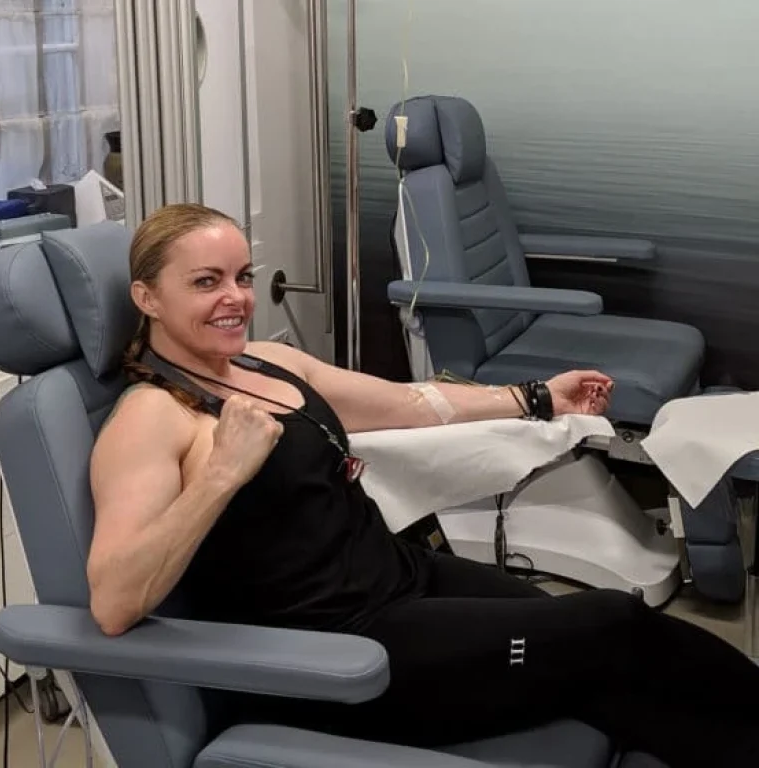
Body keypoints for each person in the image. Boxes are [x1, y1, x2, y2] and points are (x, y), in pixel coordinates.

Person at [87, 203, 759, 768]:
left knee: (604, 660)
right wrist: (221, 475)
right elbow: (114, 603)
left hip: (404, 577)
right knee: (612, 626)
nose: (235, 298)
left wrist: (535, 396)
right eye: (206, 282)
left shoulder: (265, 362)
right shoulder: (151, 418)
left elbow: (407, 404)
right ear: (147, 298)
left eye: (242, 276)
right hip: (344, 648)